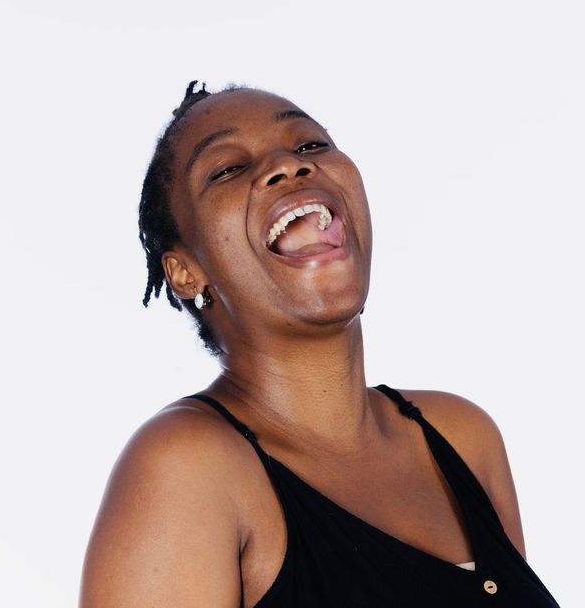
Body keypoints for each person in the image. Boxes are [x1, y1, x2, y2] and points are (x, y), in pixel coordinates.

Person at [78, 82, 560, 607]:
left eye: (309, 145)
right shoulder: (187, 466)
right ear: (186, 272)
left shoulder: (461, 437)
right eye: (228, 169)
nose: (289, 165)